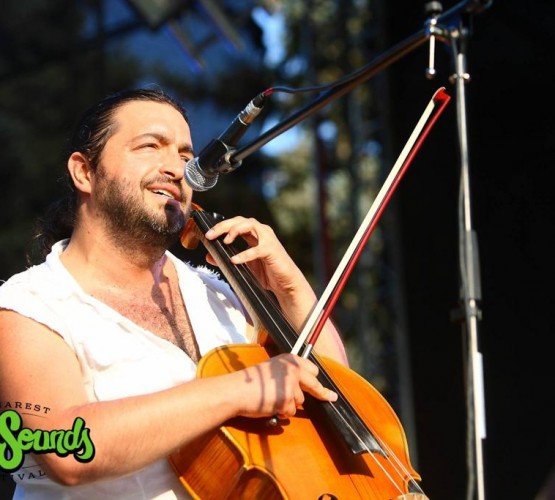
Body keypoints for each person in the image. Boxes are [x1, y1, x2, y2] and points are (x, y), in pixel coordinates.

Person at [0, 88, 348, 498]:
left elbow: (341, 396)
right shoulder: (28, 306)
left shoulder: (220, 294)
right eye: (150, 146)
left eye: (185, 156)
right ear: (84, 172)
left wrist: (290, 287)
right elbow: (66, 451)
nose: (177, 169)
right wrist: (241, 388)